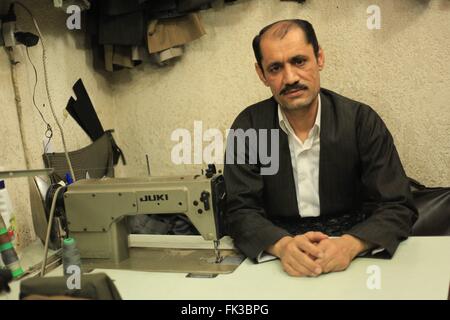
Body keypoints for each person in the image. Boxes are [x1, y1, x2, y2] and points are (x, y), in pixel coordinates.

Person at [223, 19, 418, 277]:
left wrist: (350, 245)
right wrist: (282, 246)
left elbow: (398, 205)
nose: (290, 77)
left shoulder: (361, 121)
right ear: (261, 74)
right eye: (275, 68)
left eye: (299, 61)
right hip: (277, 258)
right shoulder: (248, 128)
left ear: (320, 58)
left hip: (356, 251)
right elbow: (239, 210)